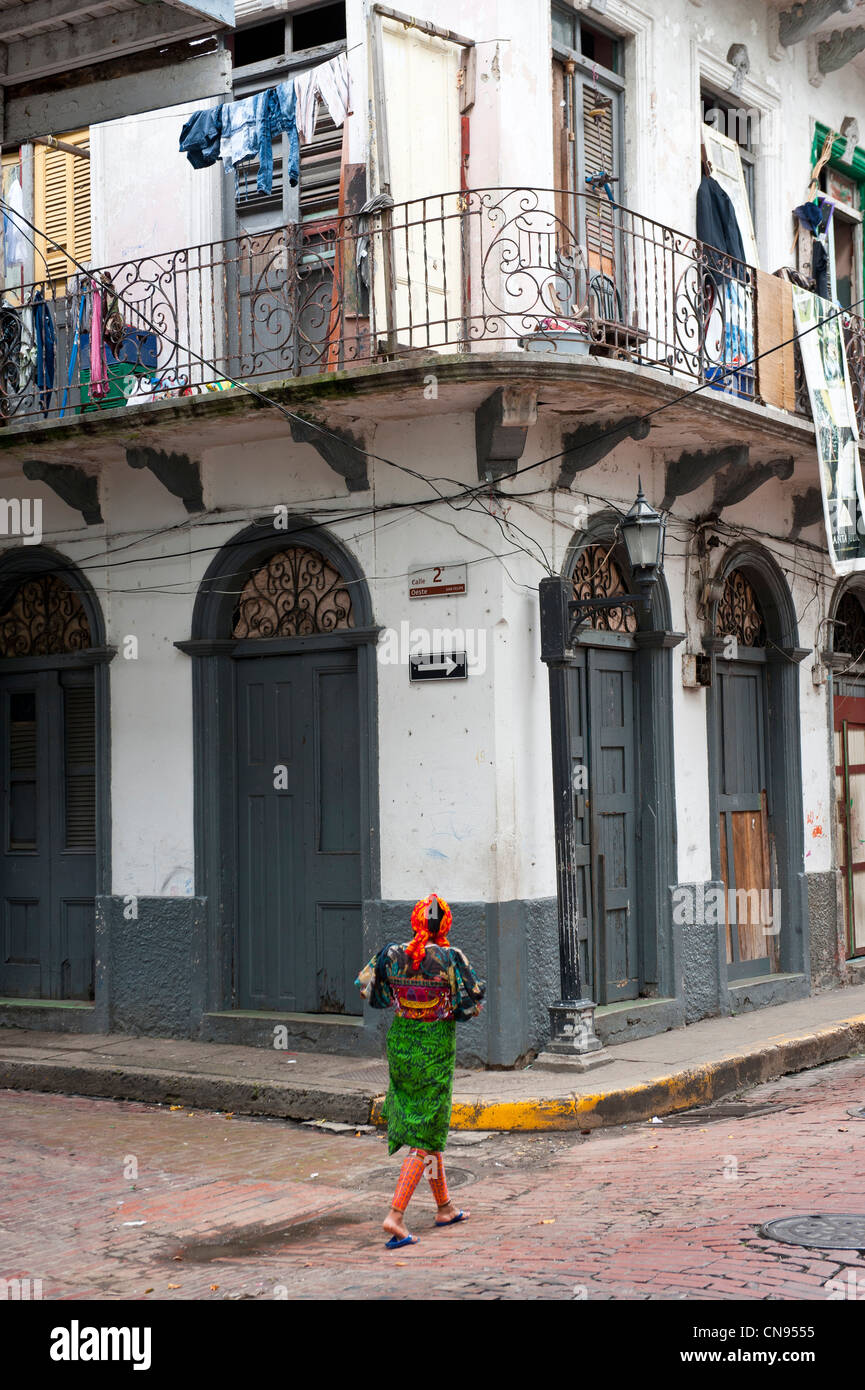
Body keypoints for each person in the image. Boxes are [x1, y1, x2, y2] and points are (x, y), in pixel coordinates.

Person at [355, 892, 485, 1249]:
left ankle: (444, 1207)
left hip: (401, 1044)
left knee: (427, 1126)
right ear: (445, 923)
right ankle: (395, 1216)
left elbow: (367, 989)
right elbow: (472, 1004)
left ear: (415, 921)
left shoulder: (392, 954)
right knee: (425, 1131)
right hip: (434, 1049)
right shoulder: (451, 958)